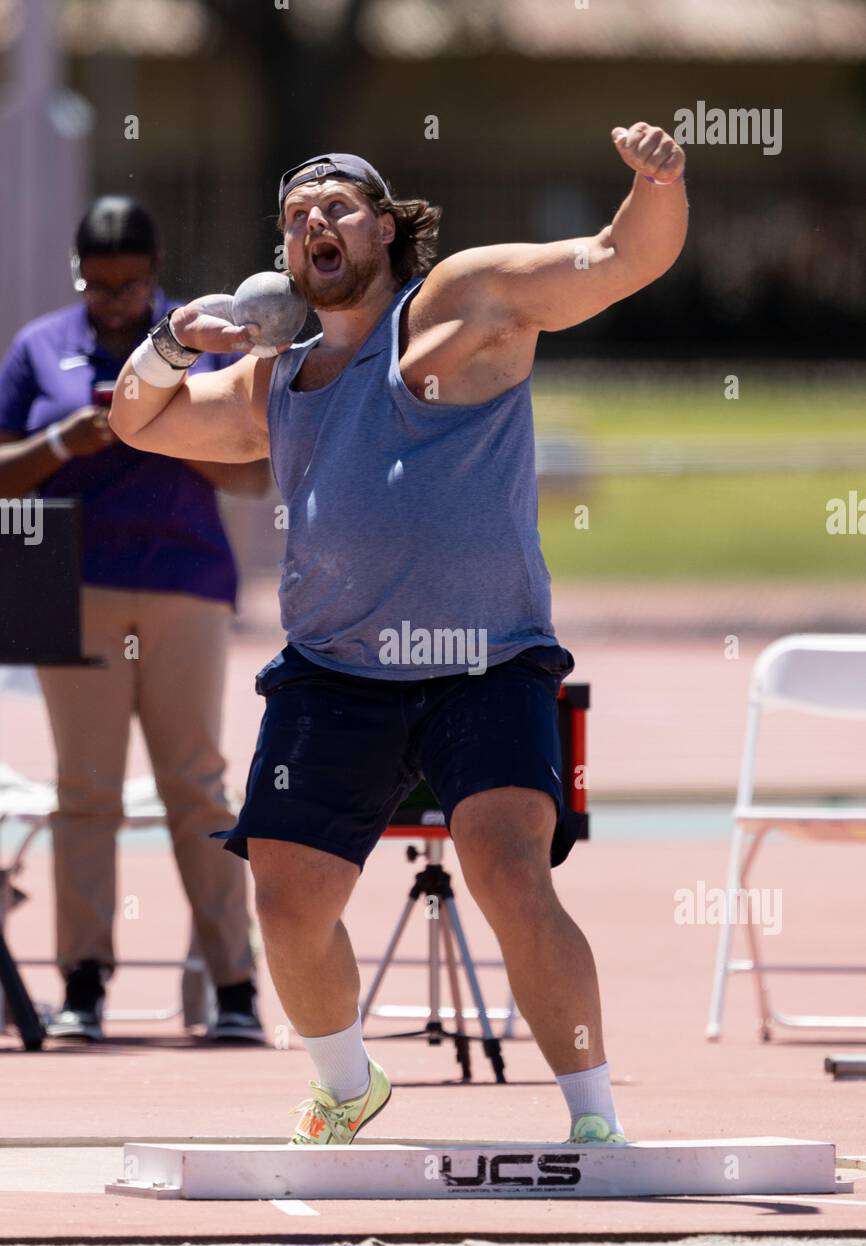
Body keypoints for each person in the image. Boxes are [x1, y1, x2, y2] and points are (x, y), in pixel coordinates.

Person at [109, 126, 687, 1140]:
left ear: (383, 225)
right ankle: (345, 1085)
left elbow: (617, 258)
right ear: (282, 261)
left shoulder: (458, 307)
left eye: (333, 205)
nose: (310, 225)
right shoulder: (272, 384)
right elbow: (139, 422)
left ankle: (594, 1120)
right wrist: (169, 341)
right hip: (332, 675)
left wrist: (656, 182)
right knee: (286, 903)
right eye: (292, 218)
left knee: (510, 869)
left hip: (486, 662)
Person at [0, 196, 269, 1044]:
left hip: (180, 575)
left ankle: (233, 986)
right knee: (86, 790)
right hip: (63, 574)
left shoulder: (200, 343)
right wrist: (60, 445)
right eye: (100, 285)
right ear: (81, 273)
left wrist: (154, 425)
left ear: (155, 276)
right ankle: (82, 982)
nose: (116, 301)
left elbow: (253, 479)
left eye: (132, 285)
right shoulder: (40, 347)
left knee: (196, 782)